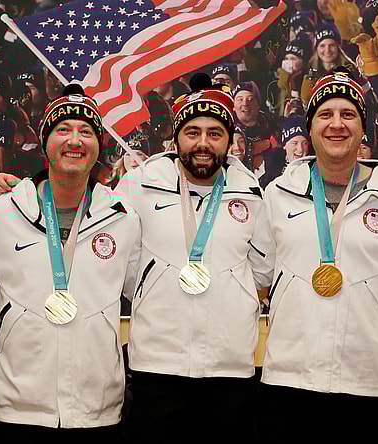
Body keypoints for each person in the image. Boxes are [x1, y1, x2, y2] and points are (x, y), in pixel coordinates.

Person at [256, 67, 378, 442]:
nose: (336, 124)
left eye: (348, 115)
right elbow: (257, 274)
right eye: (325, 114)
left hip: (366, 380)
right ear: (310, 130)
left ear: (363, 130)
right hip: (288, 377)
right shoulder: (277, 194)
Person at [116, 73, 273, 442]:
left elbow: (263, 270)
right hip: (156, 367)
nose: (203, 143)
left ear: (229, 142)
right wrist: (154, 287)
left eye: (214, 134)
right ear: (176, 138)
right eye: (193, 132)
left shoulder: (251, 193)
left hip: (229, 369)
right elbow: (122, 262)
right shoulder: (141, 184)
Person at [0, 84, 140, 442]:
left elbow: (142, 291)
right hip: (17, 408)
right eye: (63, 130)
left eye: (86, 131)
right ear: (44, 143)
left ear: (99, 146)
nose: (75, 140)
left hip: (98, 409)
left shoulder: (123, 217)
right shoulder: (3, 212)